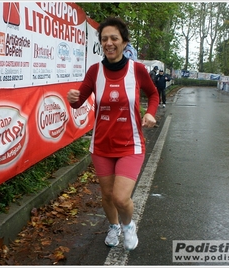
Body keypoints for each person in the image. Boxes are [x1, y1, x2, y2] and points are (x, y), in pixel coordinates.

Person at [66, 17, 159, 251]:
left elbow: (154, 94)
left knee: (120, 197)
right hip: (101, 146)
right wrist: (73, 99)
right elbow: (79, 102)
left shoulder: (137, 70)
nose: (109, 43)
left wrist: (150, 113)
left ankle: (128, 226)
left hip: (131, 145)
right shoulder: (94, 71)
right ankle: (114, 226)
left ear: (124, 42)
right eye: (104, 38)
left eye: (114, 38)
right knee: (106, 196)